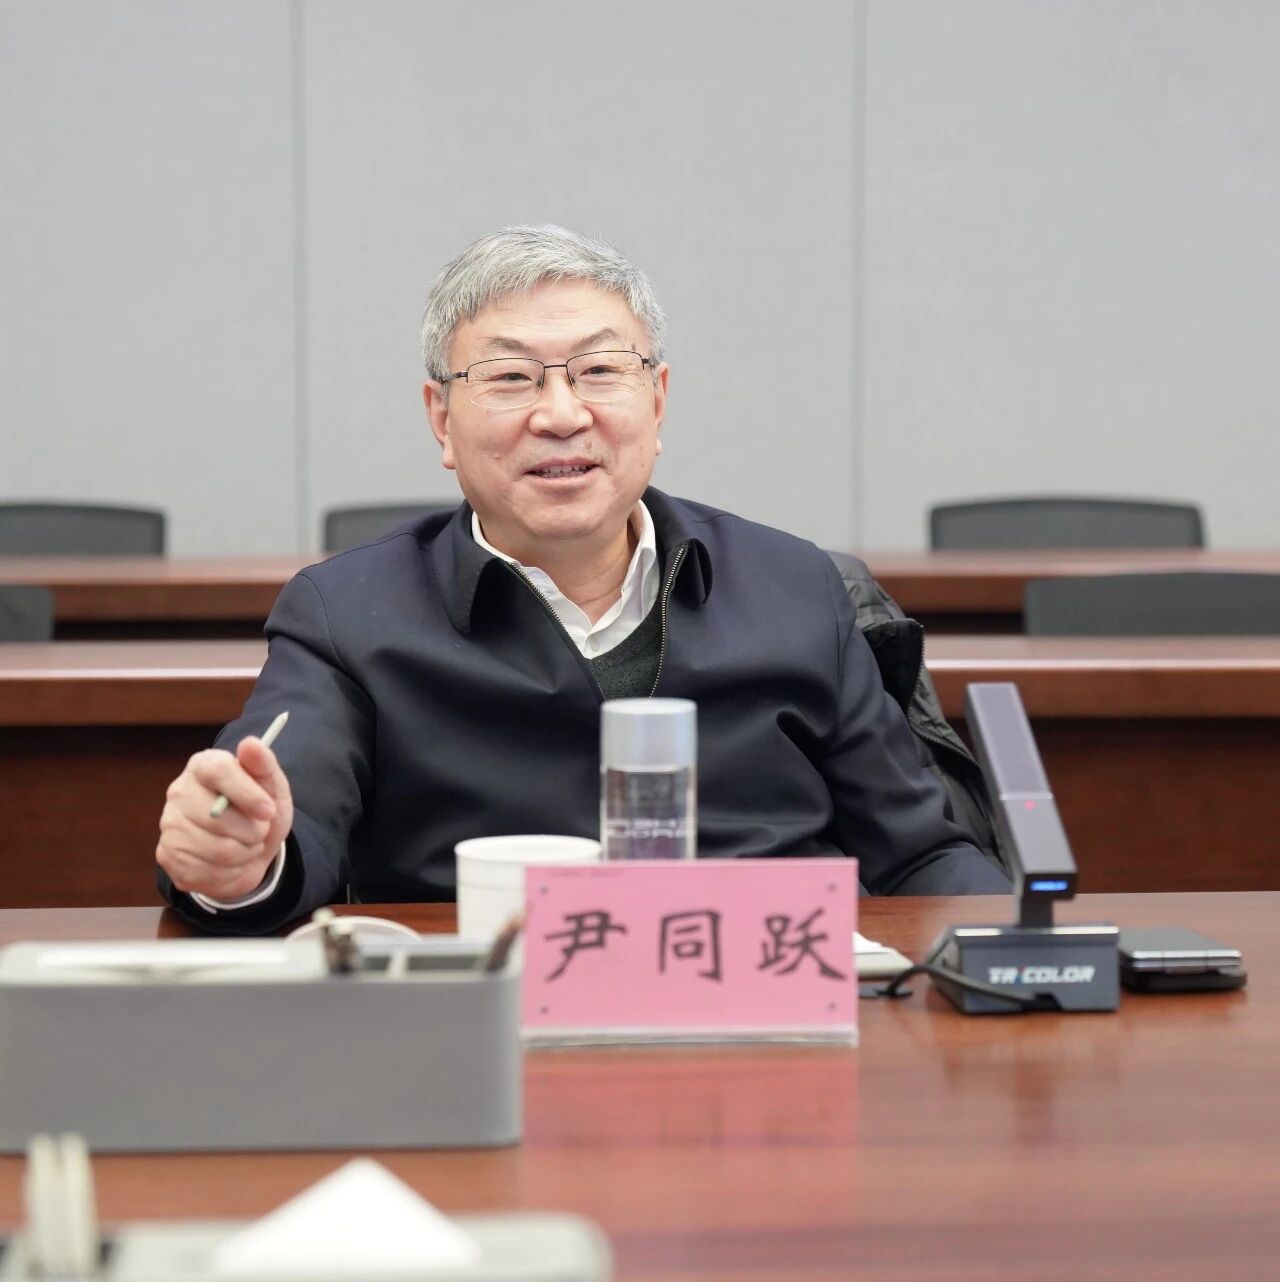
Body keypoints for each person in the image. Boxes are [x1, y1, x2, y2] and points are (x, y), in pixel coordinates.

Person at [156, 225, 1009, 933]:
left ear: (658, 401)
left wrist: (1017, 952)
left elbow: (922, 856)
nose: (562, 414)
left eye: (601, 371)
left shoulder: (798, 589)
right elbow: (282, 826)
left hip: (762, 1020)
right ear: (441, 419)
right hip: (484, 1027)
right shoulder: (348, 614)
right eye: (510, 377)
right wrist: (238, 862)